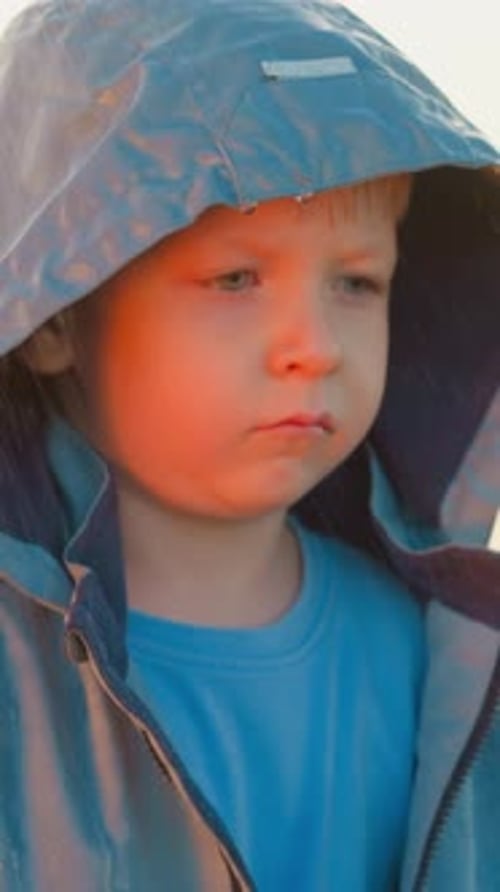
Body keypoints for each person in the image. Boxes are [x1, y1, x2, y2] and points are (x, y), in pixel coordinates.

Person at [0, 2, 498, 891]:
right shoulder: (16, 686)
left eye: (356, 281)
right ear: (57, 315)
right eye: (235, 278)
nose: (315, 344)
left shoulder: (442, 659)